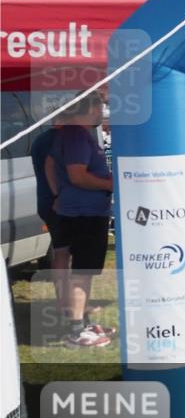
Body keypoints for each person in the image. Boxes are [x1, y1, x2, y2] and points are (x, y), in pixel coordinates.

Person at [45, 95, 114, 348]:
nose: (102, 113)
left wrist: (57, 194)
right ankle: (76, 331)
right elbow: (77, 176)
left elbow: (50, 163)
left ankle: (82, 323)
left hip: (81, 211)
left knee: (84, 272)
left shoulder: (72, 134)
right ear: (92, 108)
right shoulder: (76, 134)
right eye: (100, 107)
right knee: (82, 273)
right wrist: (110, 184)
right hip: (85, 214)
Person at [30, 120, 71, 316]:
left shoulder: (41, 139)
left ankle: (65, 302)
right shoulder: (60, 140)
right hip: (60, 204)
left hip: (48, 202)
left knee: (61, 252)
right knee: (65, 254)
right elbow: (55, 168)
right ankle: (68, 304)